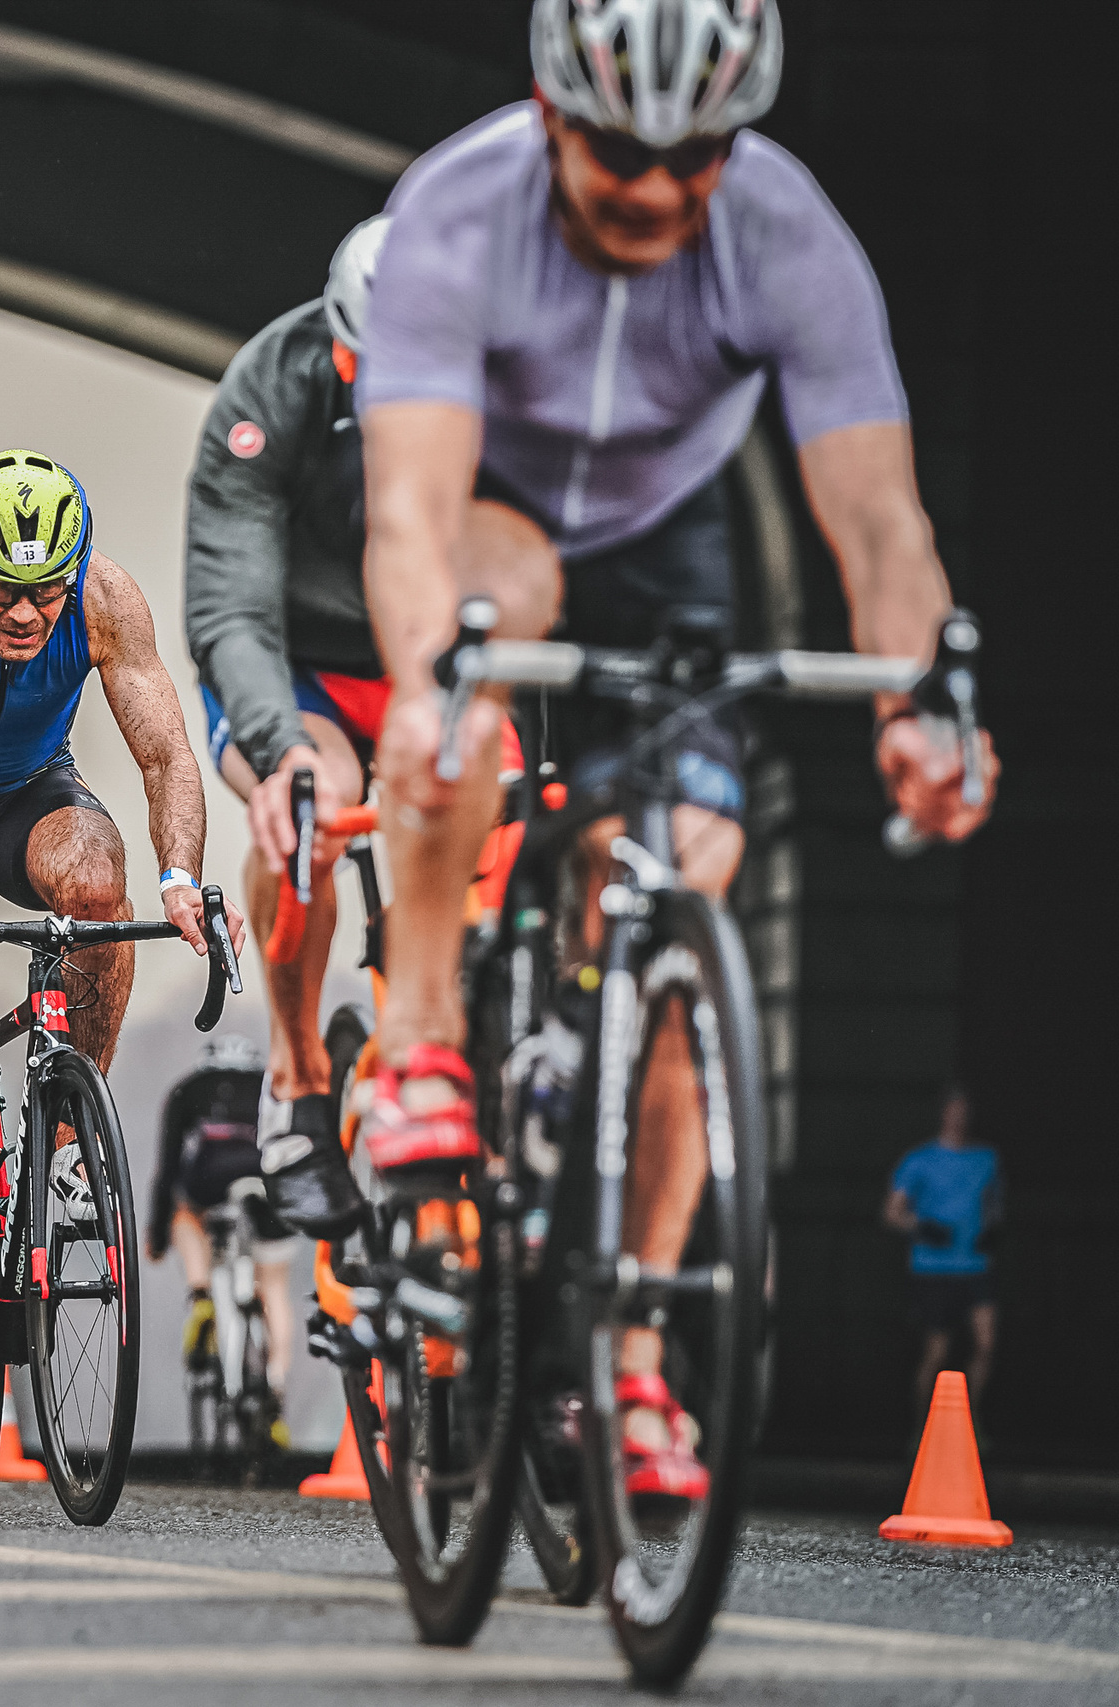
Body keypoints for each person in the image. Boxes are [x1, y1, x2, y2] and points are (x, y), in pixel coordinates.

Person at [349, 0, 998, 1502]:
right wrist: (431, 694)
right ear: (550, 115)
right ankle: (426, 1038)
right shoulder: (458, 208)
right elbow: (409, 514)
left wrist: (919, 708)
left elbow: (879, 519)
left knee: (686, 871)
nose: (652, 187)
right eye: (616, 155)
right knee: (469, 659)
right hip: (498, 507)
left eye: (691, 157)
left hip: (666, 533)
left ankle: (633, 1352)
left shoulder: (786, 231)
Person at [0, 448, 239, 1453]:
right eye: (3, 593)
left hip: (26, 801)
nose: (25, 615)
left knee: (101, 885)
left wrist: (182, 877)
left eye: (45, 593)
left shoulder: (106, 597)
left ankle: (64, 1142)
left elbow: (166, 755)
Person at [184, 215, 396, 1239]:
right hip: (301, 665)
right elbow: (230, 610)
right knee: (314, 807)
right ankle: (297, 1076)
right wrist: (284, 753)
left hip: (434, 658)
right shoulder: (272, 388)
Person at [145, 1034, 300, 1423]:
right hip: (271, 1182)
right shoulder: (271, 1085)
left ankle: (201, 1295)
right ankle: (276, 1383)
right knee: (274, 1287)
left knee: (186, 1214)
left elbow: (167, 1170)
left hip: (209, 1177)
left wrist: (158, 1238)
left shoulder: (189, 1087)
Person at [883, 1086, 1000, 1425]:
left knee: (986, 1345)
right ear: (943, 1114)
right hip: (934, 1268)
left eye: (964, 1111)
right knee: (937, 1353)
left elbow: (994, 1204)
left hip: (975, 1266)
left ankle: (971, 1422)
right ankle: (921, 1427)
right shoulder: (919, 1160)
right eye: (953, 1111)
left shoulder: (986, 1159)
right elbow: (891, 1213)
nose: (959, 1118)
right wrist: (922, 1227)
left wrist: (992, 1230)